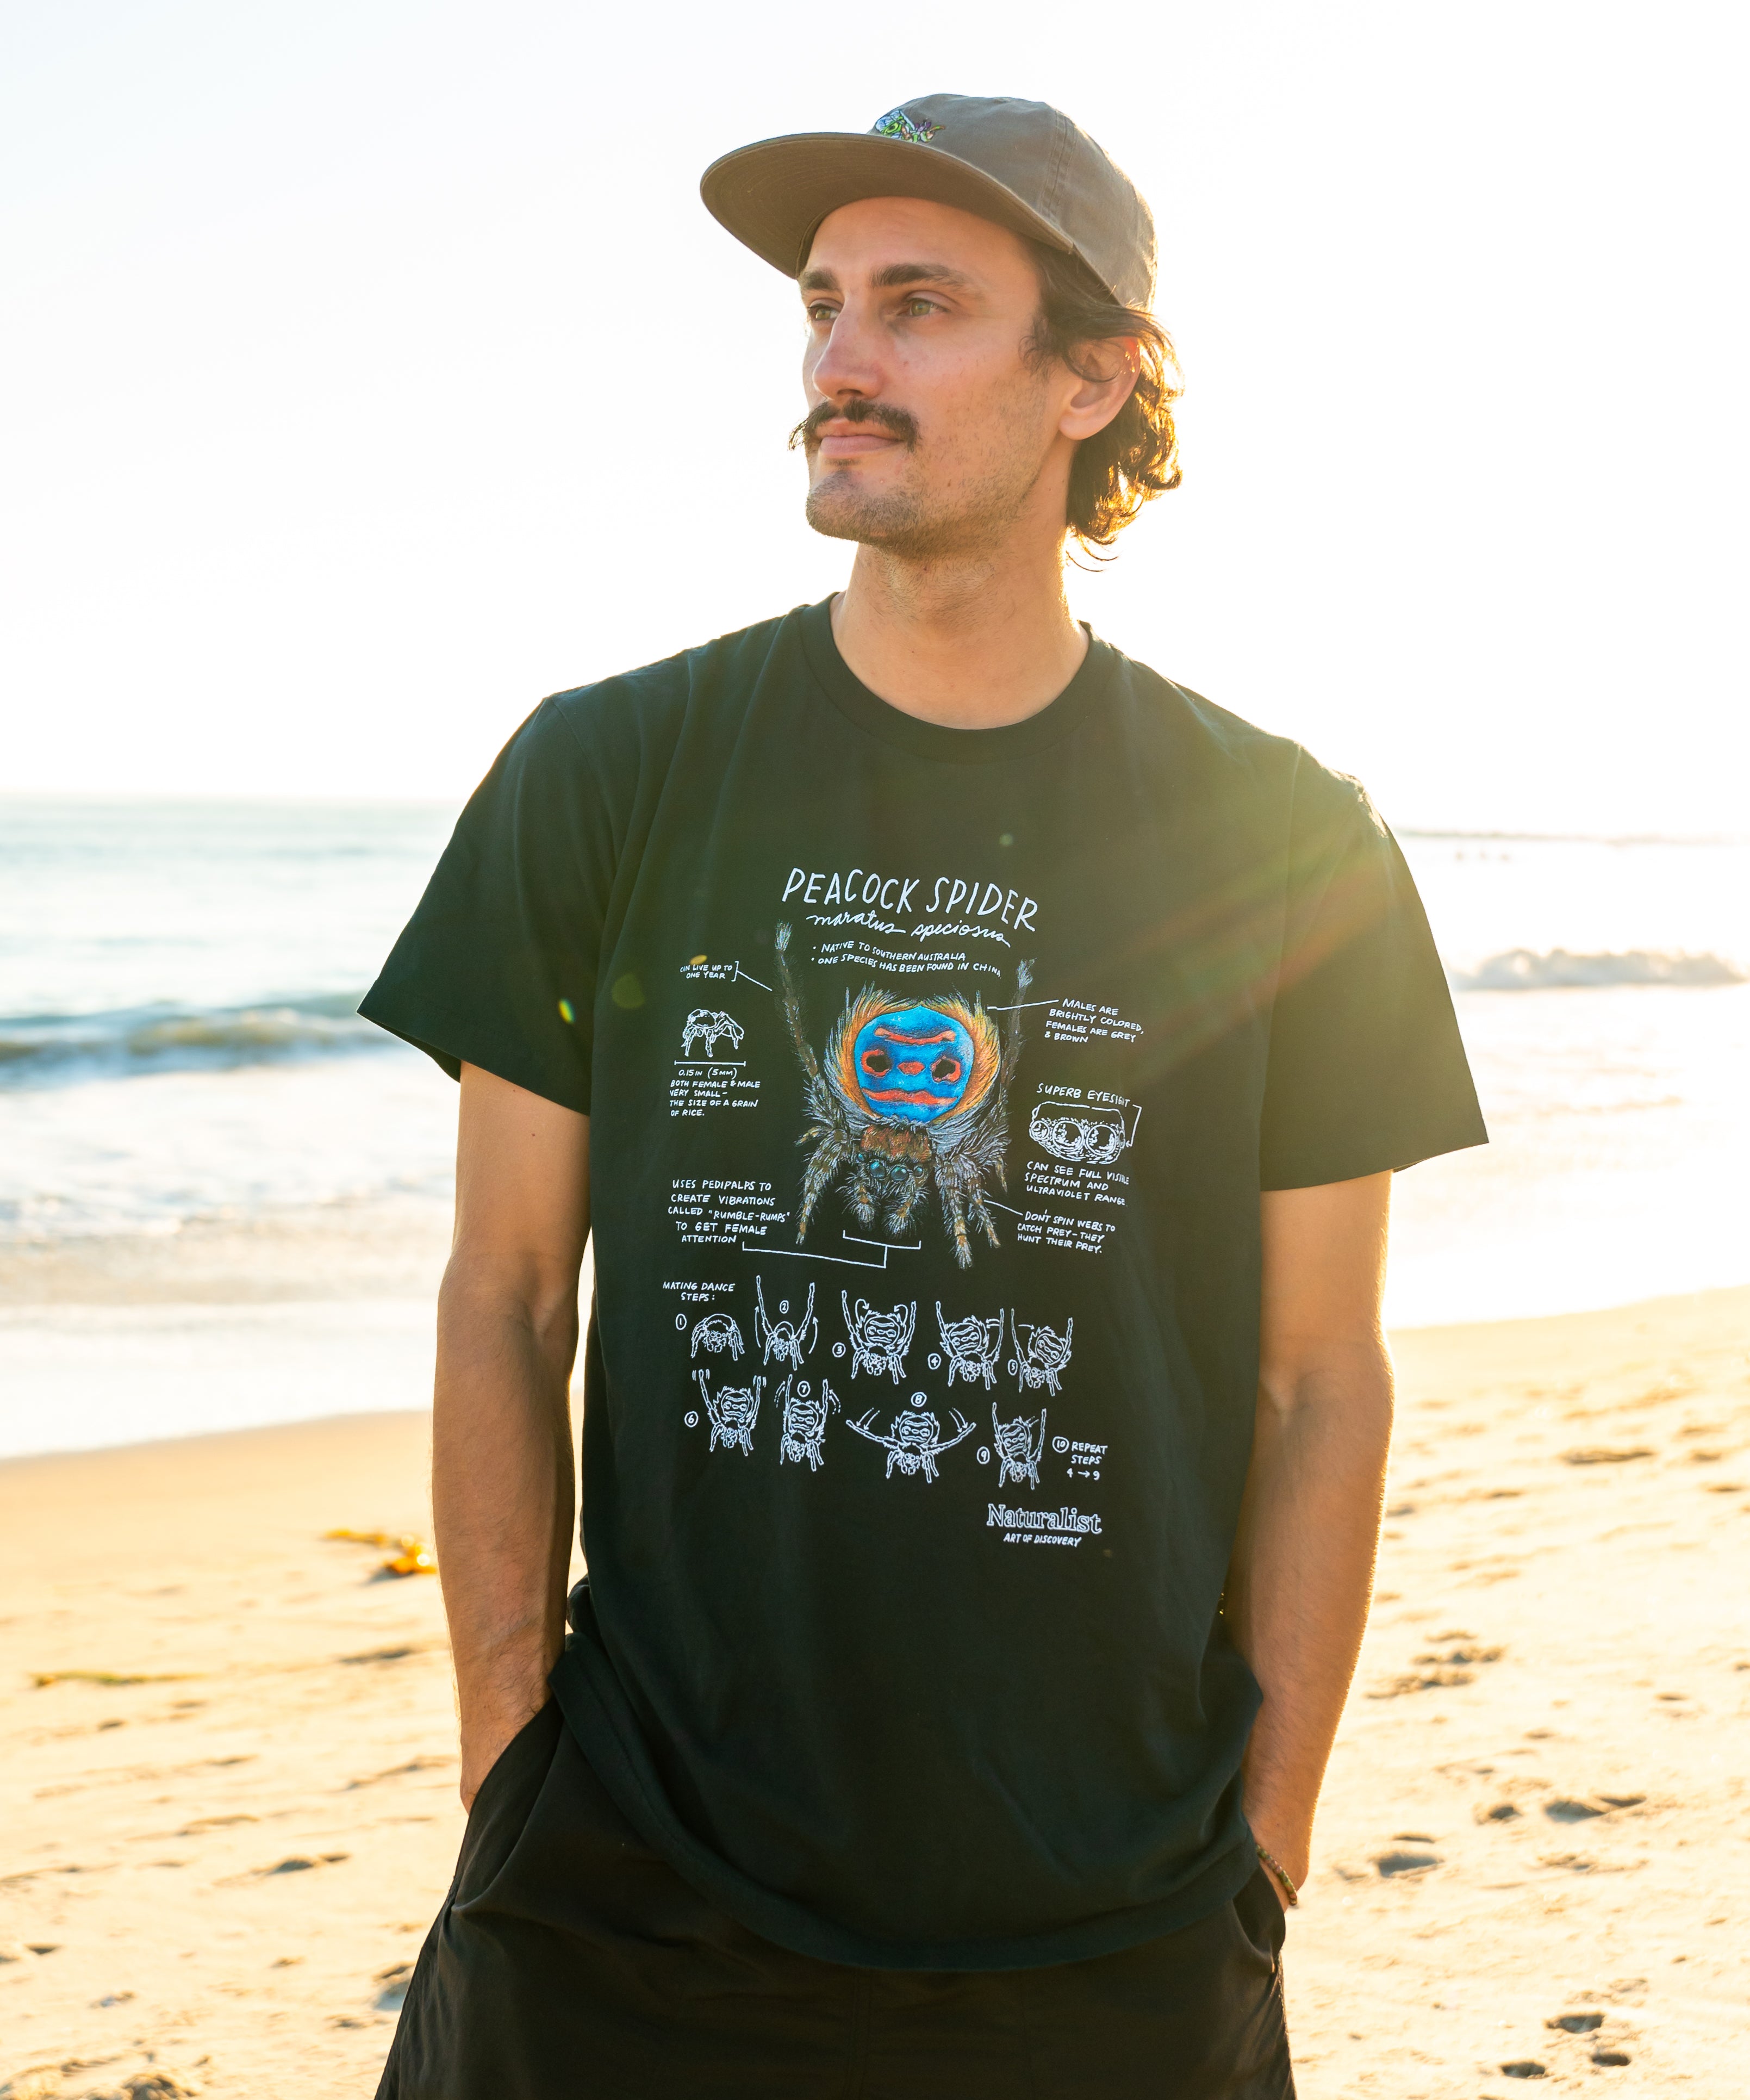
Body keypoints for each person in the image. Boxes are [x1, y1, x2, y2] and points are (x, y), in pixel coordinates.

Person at [362, 92, 1486, 2099]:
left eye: (916, 307)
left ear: (1092, 377)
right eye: (818, 310)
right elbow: (505, 1295)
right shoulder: (609, 771)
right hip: (628, 1888)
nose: (836, 366)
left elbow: (1323, 1380)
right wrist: (509, 1761)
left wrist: (1268, 1843)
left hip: (1110, 1908)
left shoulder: (1283, 837)